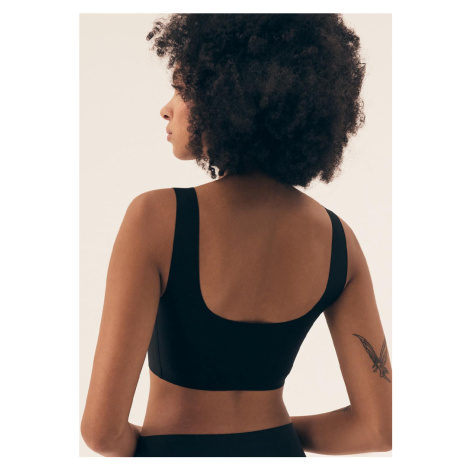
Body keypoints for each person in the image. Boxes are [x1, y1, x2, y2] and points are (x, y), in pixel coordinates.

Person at [81, 13, 392, 457]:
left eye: (182, 89)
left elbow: (101, 433)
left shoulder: (156, 217)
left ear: (224, 96)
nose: (167, 108)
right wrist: (269, 434)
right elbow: (379, 430)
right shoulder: (341, 242)